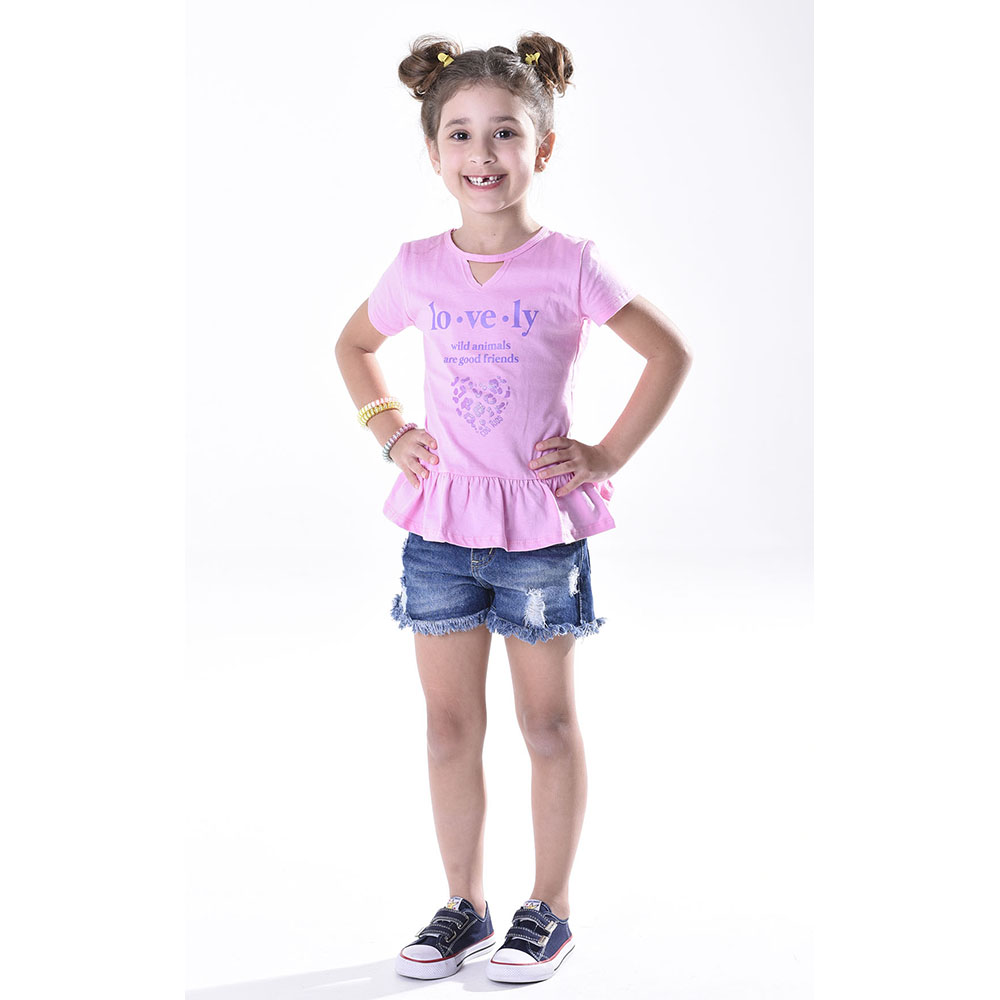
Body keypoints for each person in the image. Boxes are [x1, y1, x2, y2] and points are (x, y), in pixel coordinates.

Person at [335, 32, 692, 984]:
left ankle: (551, 909)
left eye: (504, 133)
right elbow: (353, 346)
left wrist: (606, 455)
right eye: (460, 134)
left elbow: (669, 353)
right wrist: (388, 429)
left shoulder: (569, 264)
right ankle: (465, 906)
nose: (482, 154)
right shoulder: (417, 266)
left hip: (537, 533)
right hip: (439, 532)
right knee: (450, 728)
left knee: (546, 727)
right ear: (433, 151)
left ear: (543, 147)